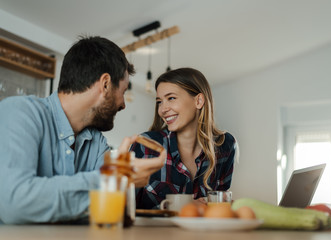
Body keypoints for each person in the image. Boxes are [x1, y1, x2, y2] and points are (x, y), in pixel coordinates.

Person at [0, 36, 165, 224]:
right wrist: (114, 179)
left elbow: (110, 212)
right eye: (123, 91)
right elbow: (14, 203)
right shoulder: (21, 112)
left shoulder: (97, 143)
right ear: (105, 84)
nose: (123, 104)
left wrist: (121, 179)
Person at [131, 68, 237, 209]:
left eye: (171, 98)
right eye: (159, 102)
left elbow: (220, 206)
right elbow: (123, 207)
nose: (162, 109)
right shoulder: (146, 145)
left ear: (198, 101)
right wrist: (184, 207)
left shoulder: (225, 145)